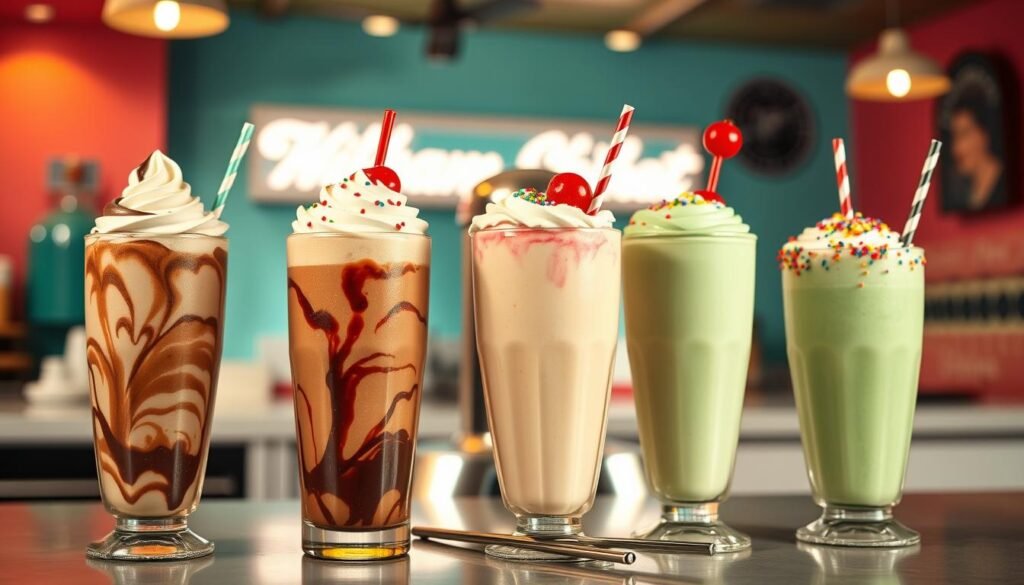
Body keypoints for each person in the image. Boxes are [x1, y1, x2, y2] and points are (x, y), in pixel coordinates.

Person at [948, 89, 1006, 211]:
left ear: (984, 135)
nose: (956, 147)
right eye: (954, 137)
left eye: (964, 134)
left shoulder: (1002, 183)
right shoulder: (966, 193)